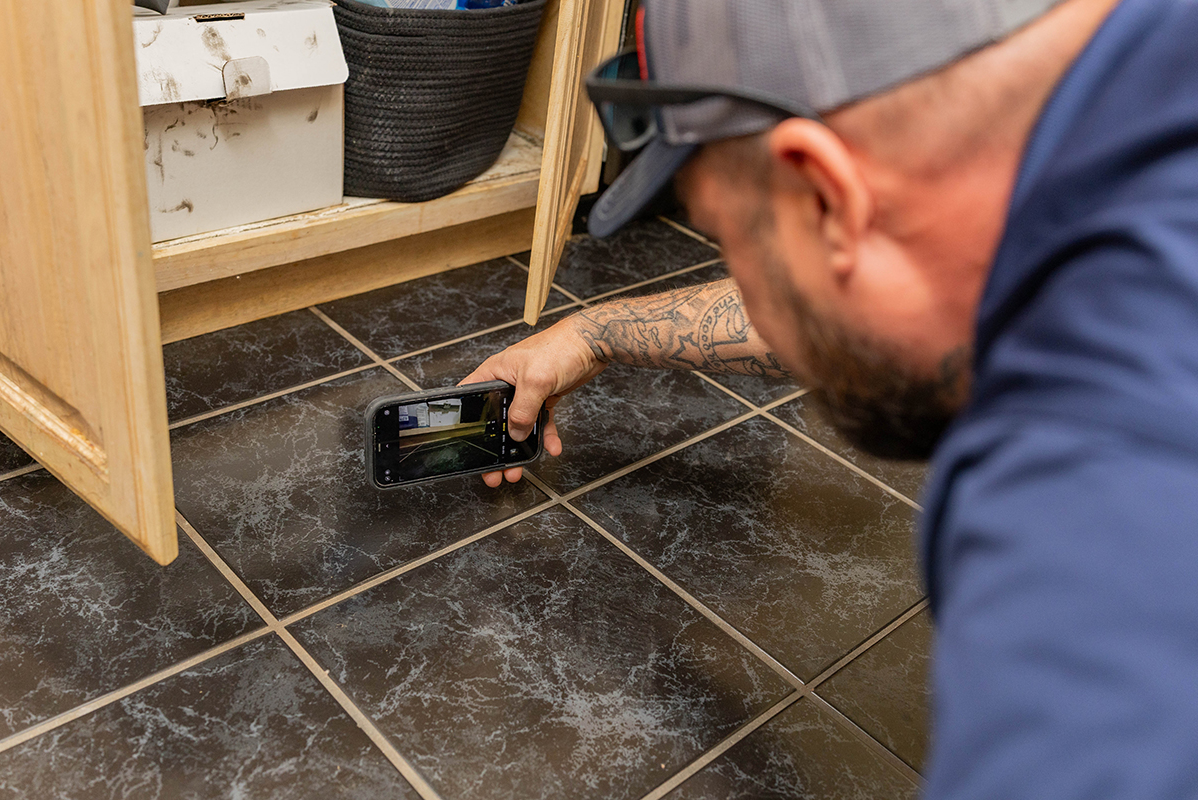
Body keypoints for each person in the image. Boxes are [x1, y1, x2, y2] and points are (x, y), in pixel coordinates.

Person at [464, 0, 1198, 796]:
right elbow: (872, 277)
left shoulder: (1093, 482)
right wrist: (593, 334)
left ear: (826, 197)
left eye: (734, 244)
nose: (750, 284)